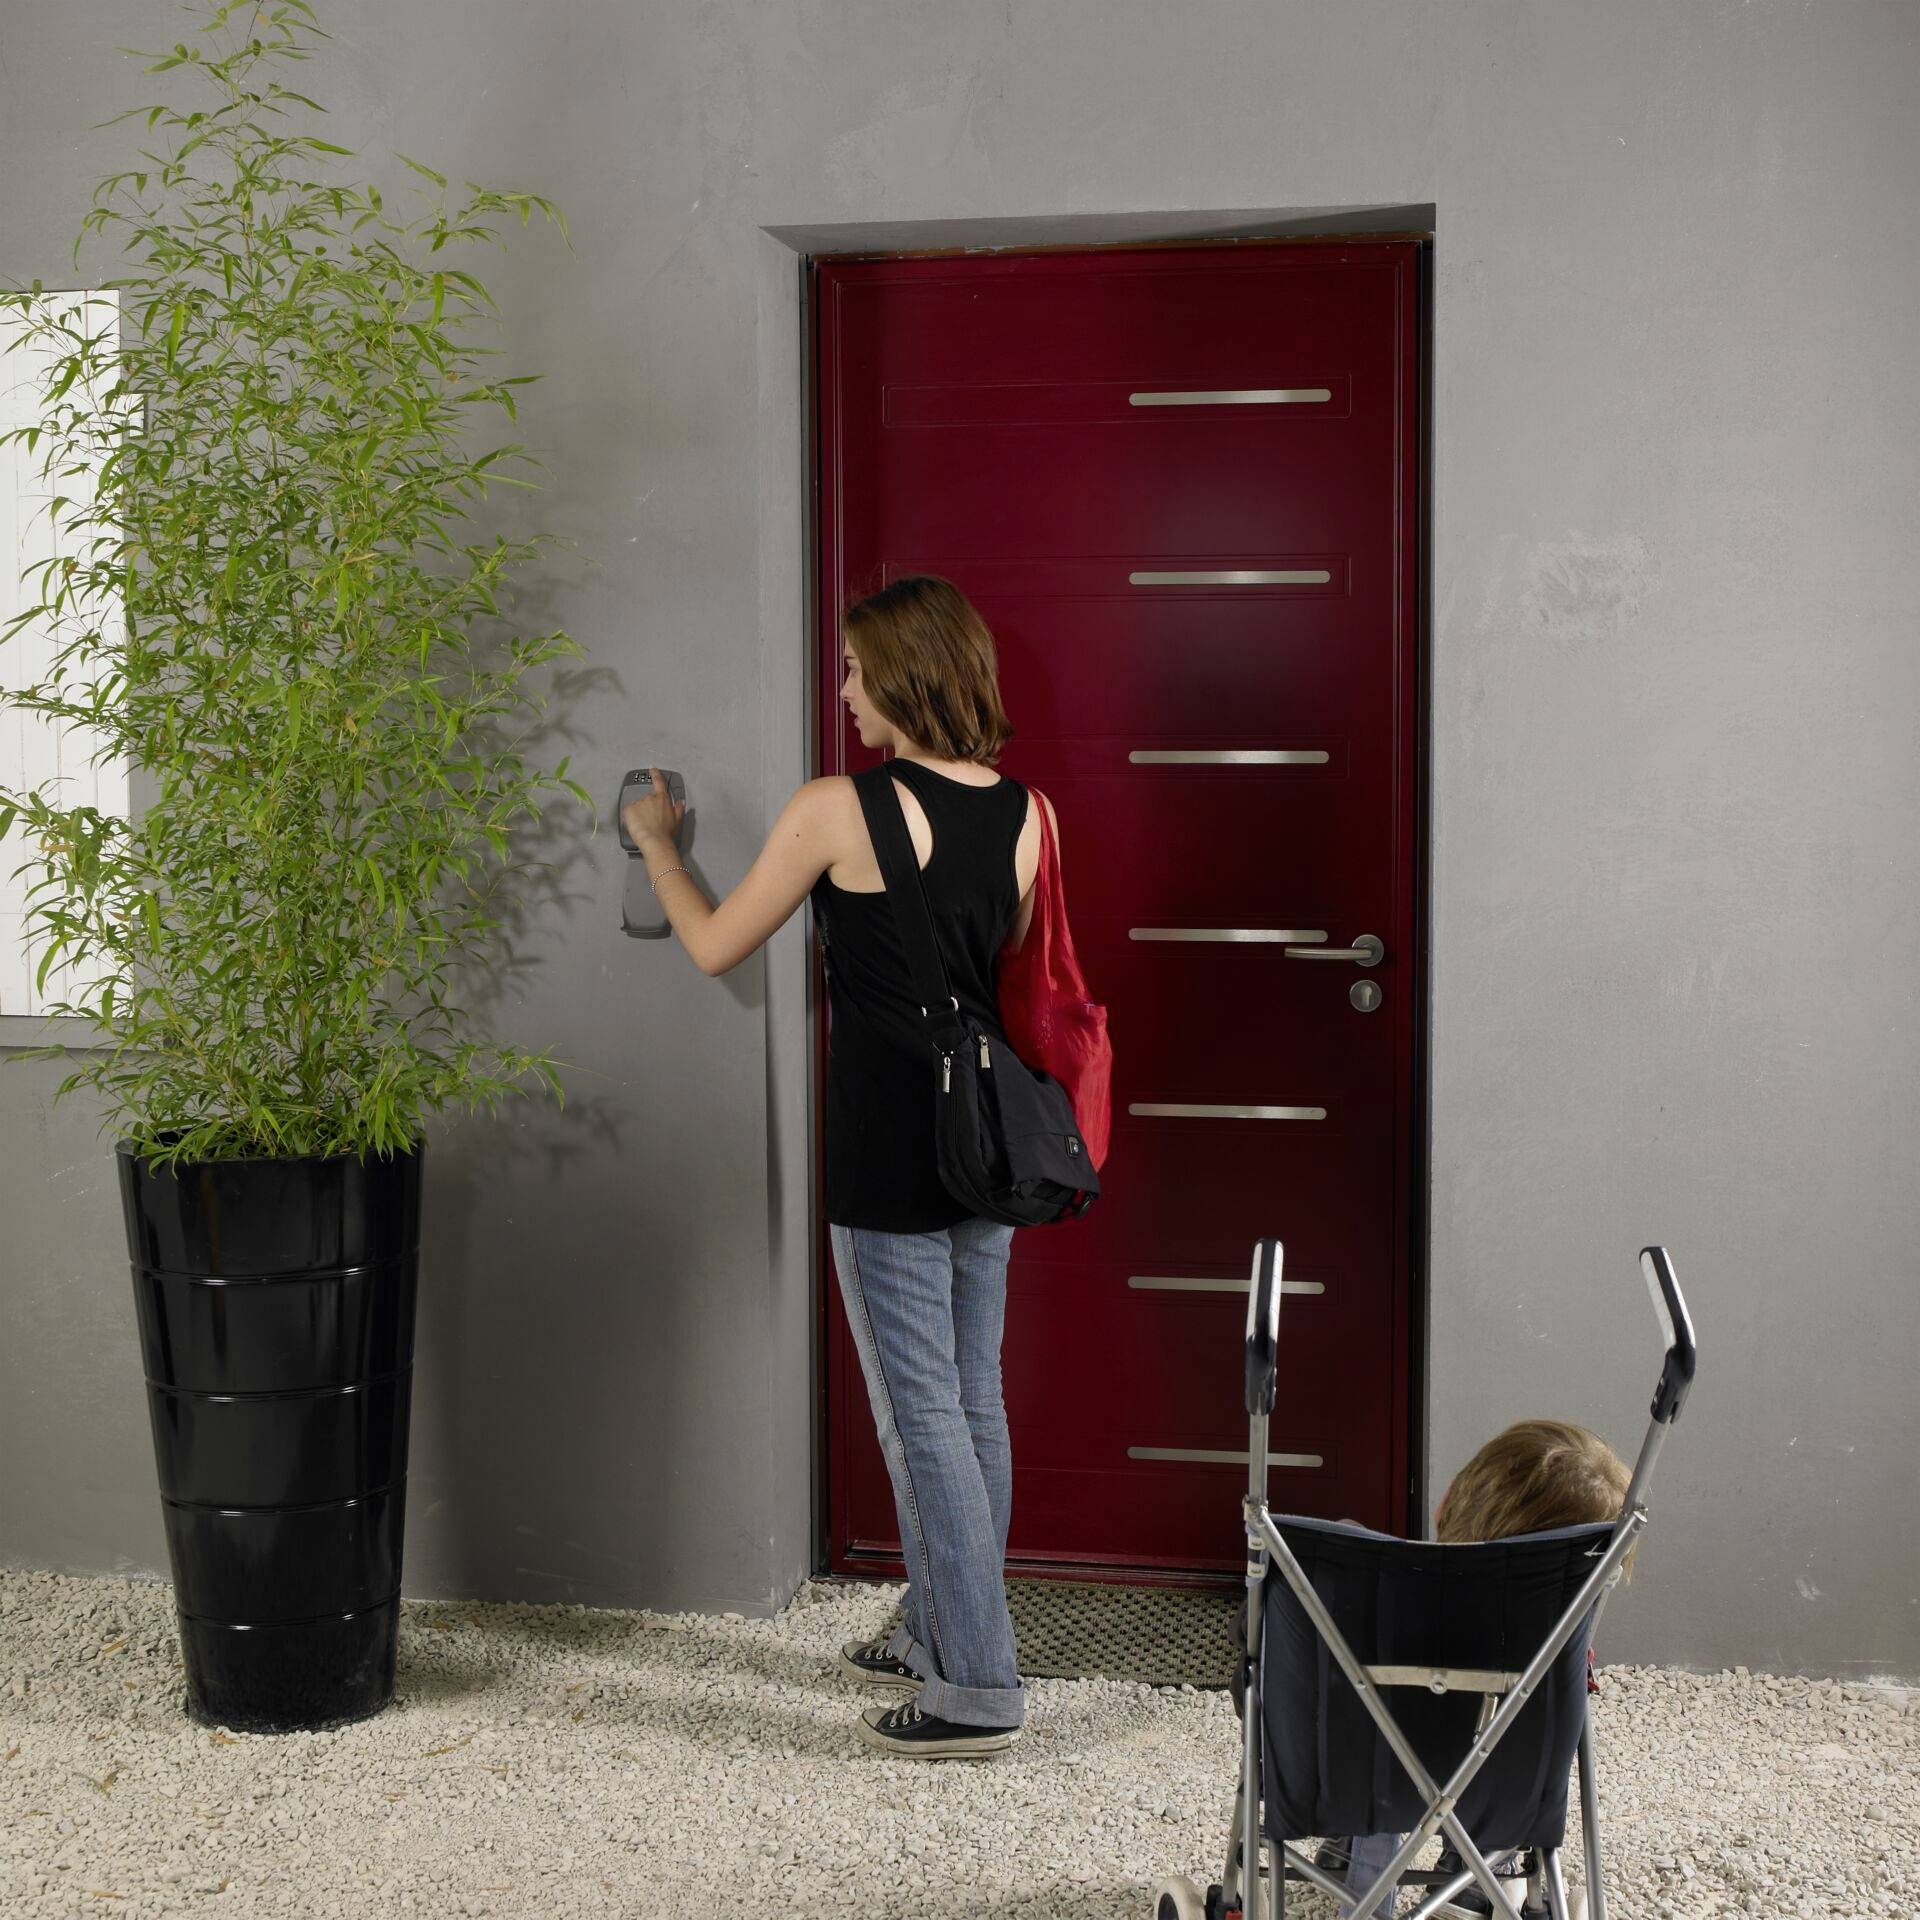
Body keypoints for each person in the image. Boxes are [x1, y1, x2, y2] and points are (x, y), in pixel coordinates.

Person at [621, 574, 1058, 1761]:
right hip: (990, 1146)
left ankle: (977, 1685)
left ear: (908, 674)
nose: (847, 691)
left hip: (887, 1151)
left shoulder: (834, 810)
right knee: (975, 1400)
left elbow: (717, 942)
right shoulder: (1030, 814)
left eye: (859, 671)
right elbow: (1011, 966)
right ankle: (936, 1623)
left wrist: (657, 846)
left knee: (924, 1416)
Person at [1322, 1419, 1633, 1917]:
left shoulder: (1371, 1595)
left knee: (1342, 1557)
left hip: (1358, 1777)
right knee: (1503, 1734)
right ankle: (1476, 1870)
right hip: (1502, 1787)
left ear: (1450, 1504)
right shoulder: (1559, 1625)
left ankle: (1346, 1846)